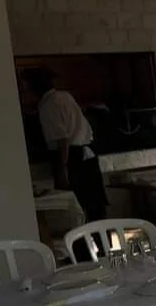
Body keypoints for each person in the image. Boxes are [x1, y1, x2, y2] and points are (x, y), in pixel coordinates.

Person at [23, 67, 108, 222]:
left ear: (34, 88)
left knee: (77, 209)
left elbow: (62, 140)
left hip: (72, 158)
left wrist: (63, 171)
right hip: (87, 155)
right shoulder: (64, 96)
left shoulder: (48, 105)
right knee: (95, 208)